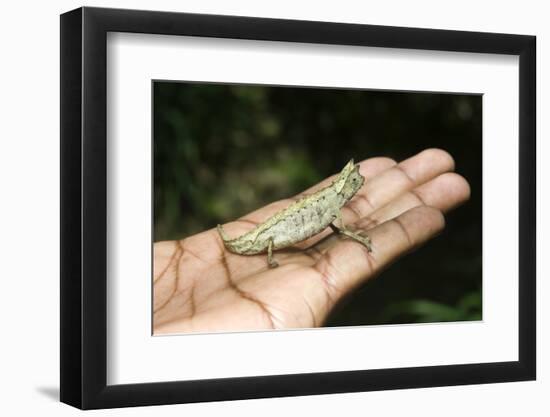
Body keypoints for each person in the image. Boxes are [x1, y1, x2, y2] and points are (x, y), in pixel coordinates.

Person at [153, 149, 470, 334]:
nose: (356, 189)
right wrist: (271, 258)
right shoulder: (332, 203)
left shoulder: (334, 203)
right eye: (352, 185)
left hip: (290, 225)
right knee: (265, 239)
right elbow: (341, 229)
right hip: (274, 235)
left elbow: (336, 226)